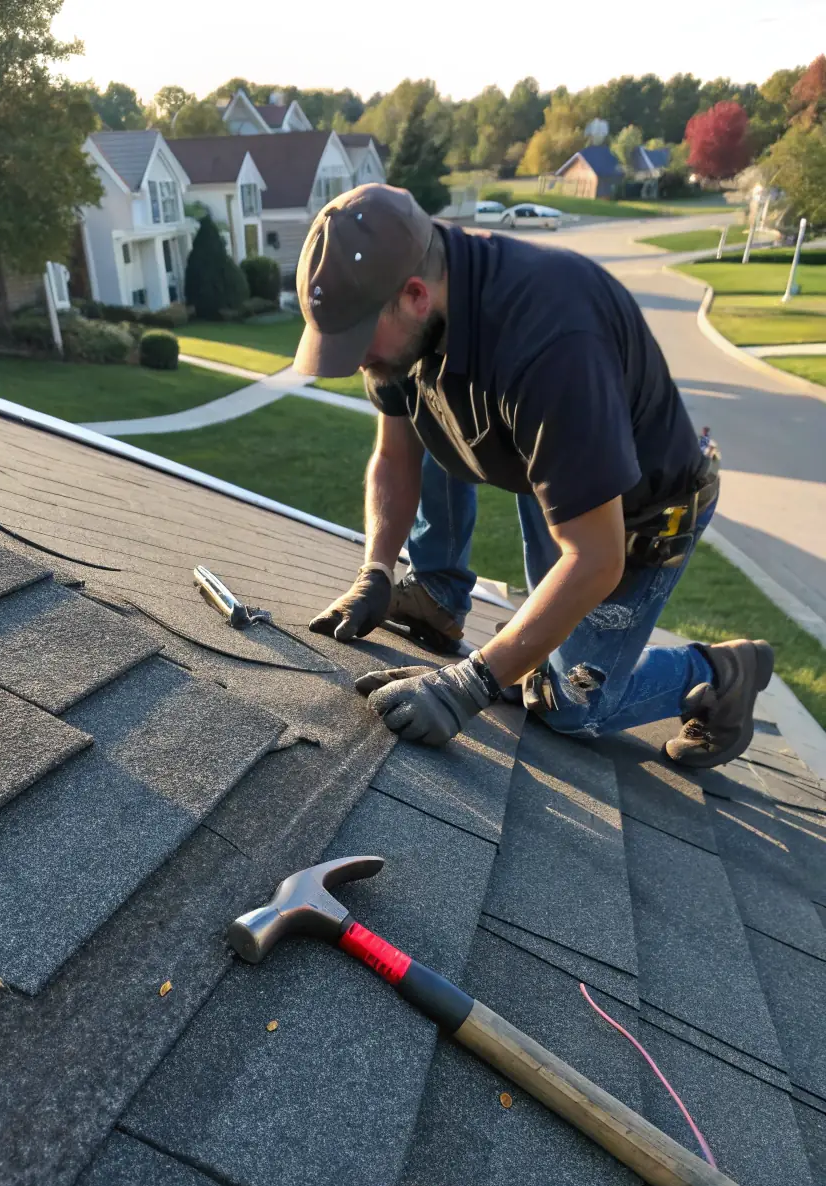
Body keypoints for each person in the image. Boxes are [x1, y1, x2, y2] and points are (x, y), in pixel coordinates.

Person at [295, 183, 772, 768]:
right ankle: (438, 595)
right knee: (419, 394)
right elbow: (396, 455)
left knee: (566, 701)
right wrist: (376, 568)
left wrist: (467, 684)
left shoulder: (551, 342)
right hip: (553, 468)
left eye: (359, 344)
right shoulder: (409, 309)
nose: (356, 363)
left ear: (416, 295)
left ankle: (722, 672)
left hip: (640, 507)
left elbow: (596, 559)